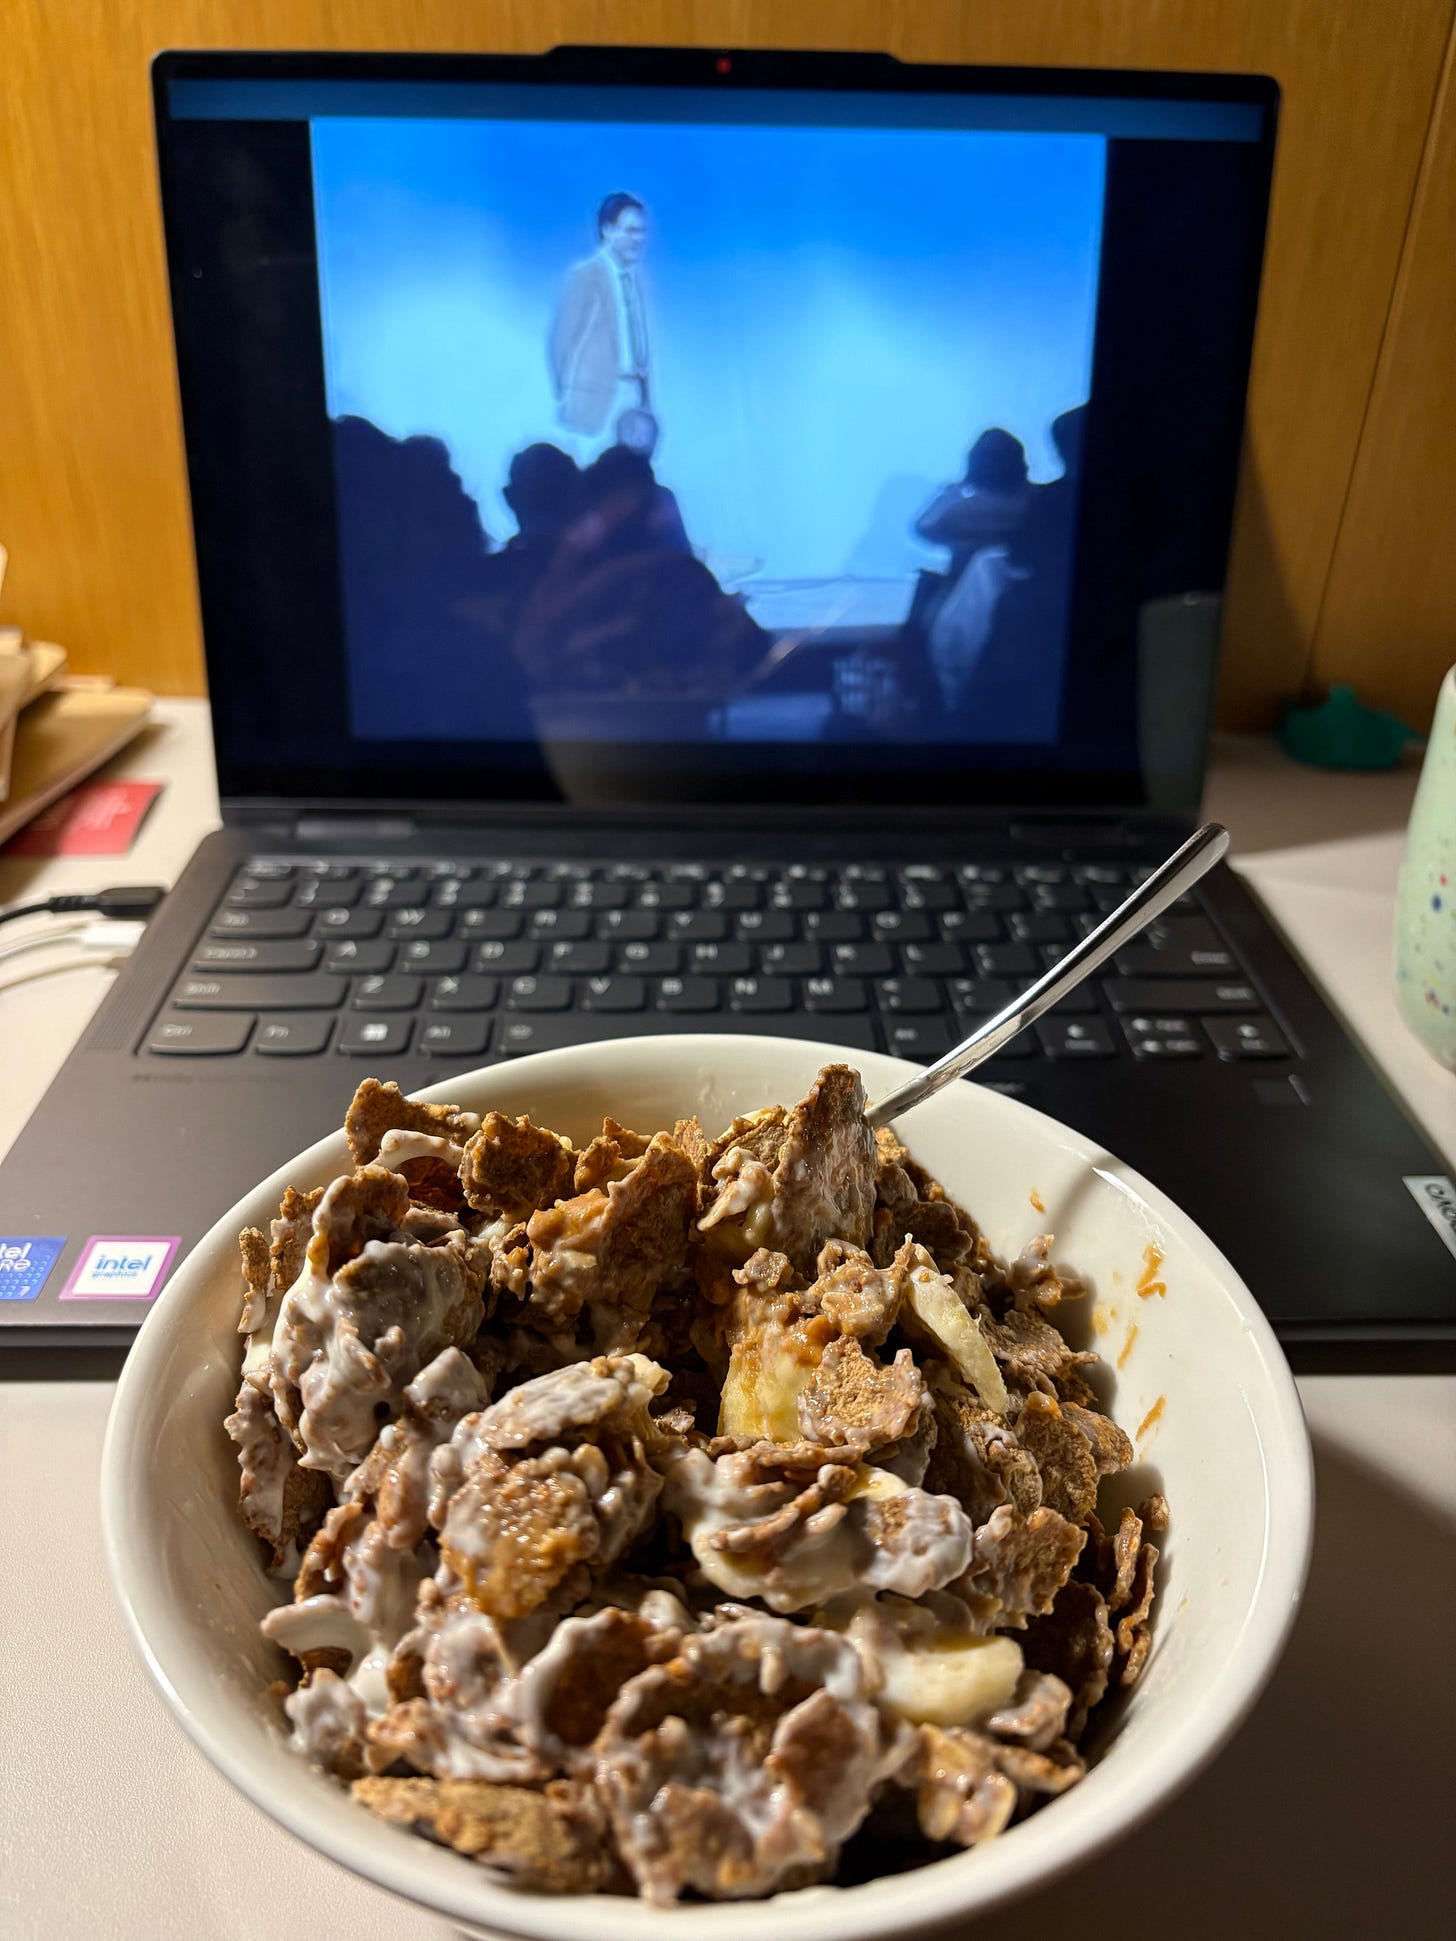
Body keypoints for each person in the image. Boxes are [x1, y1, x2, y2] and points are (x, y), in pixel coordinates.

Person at [548, 192, 653, 457]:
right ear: (608, 230)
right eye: (630, 230)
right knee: (592, 470)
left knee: (630, 472)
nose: (638, 239)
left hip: (632, 398)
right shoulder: (585, 276)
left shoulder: (634, 280)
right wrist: (569, 395)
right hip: (594, 401)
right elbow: (561, 341)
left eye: (642, 231)